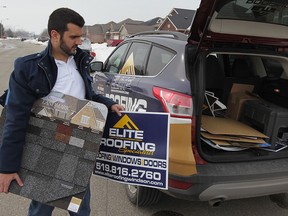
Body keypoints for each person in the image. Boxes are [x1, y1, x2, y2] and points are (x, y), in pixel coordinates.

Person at [0, 7, 124, 216]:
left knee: (81, 209)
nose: (79, 41)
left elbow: (88, 97)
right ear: (55, 35)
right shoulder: (28, 68)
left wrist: (107, 103)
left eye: (81, 36)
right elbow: (15, 119)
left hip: (78, 149)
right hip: (44, 149)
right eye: (74, 36)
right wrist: (7, 167)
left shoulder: (81, 62)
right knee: (41, 209)